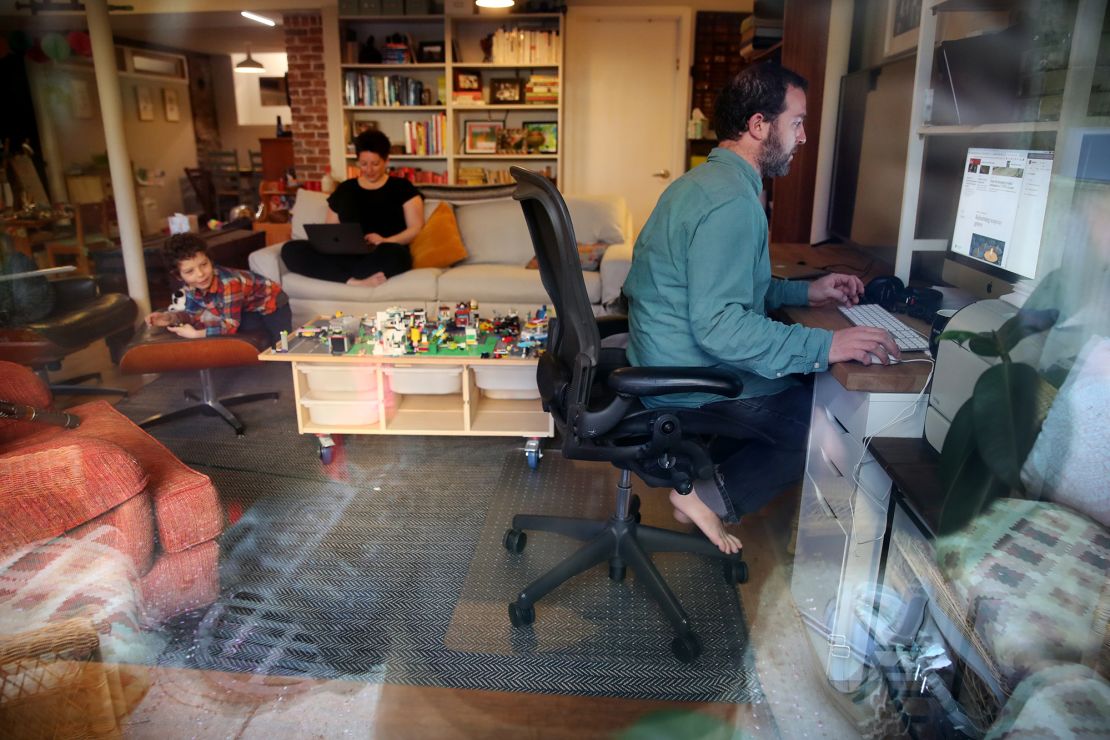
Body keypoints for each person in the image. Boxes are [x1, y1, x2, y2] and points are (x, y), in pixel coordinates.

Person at [622, 63, 900, 554]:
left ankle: (714, 485)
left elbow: (724, 287)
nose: (804, 136)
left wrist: (805, 294)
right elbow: (721, 325)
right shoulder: (732, 203)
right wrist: (828, 342)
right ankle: (704, 497)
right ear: (758, 126)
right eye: (797, 122)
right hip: (690, 377)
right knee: (827, 423)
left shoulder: (702, 184)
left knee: (807, 381)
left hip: (664, 357)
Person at [281, 130, 425, 288]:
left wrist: (384, 241)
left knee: (398, 256)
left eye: (375, 164)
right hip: (347, 255)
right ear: (357, 161)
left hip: (384, 252)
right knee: (290, 249)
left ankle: (337, 274)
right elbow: (330, 231)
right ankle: (354, 281)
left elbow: (416, 228)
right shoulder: (345, 189)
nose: (369, 170)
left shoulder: (403, 188)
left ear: (387, 160)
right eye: (363, 164)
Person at [146, 232, 292, 345]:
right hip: (248, 307)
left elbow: (230, 326)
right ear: (178, 276)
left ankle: (287, 371)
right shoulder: (191, 287)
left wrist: (197, 334)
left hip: (274, 301)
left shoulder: (229, 284)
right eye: (190, 271)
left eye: (204, 264)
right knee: (253, 336)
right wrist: (170, 317)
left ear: (210, 260)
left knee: (283, 344)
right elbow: (193, 314)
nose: (200, 274)